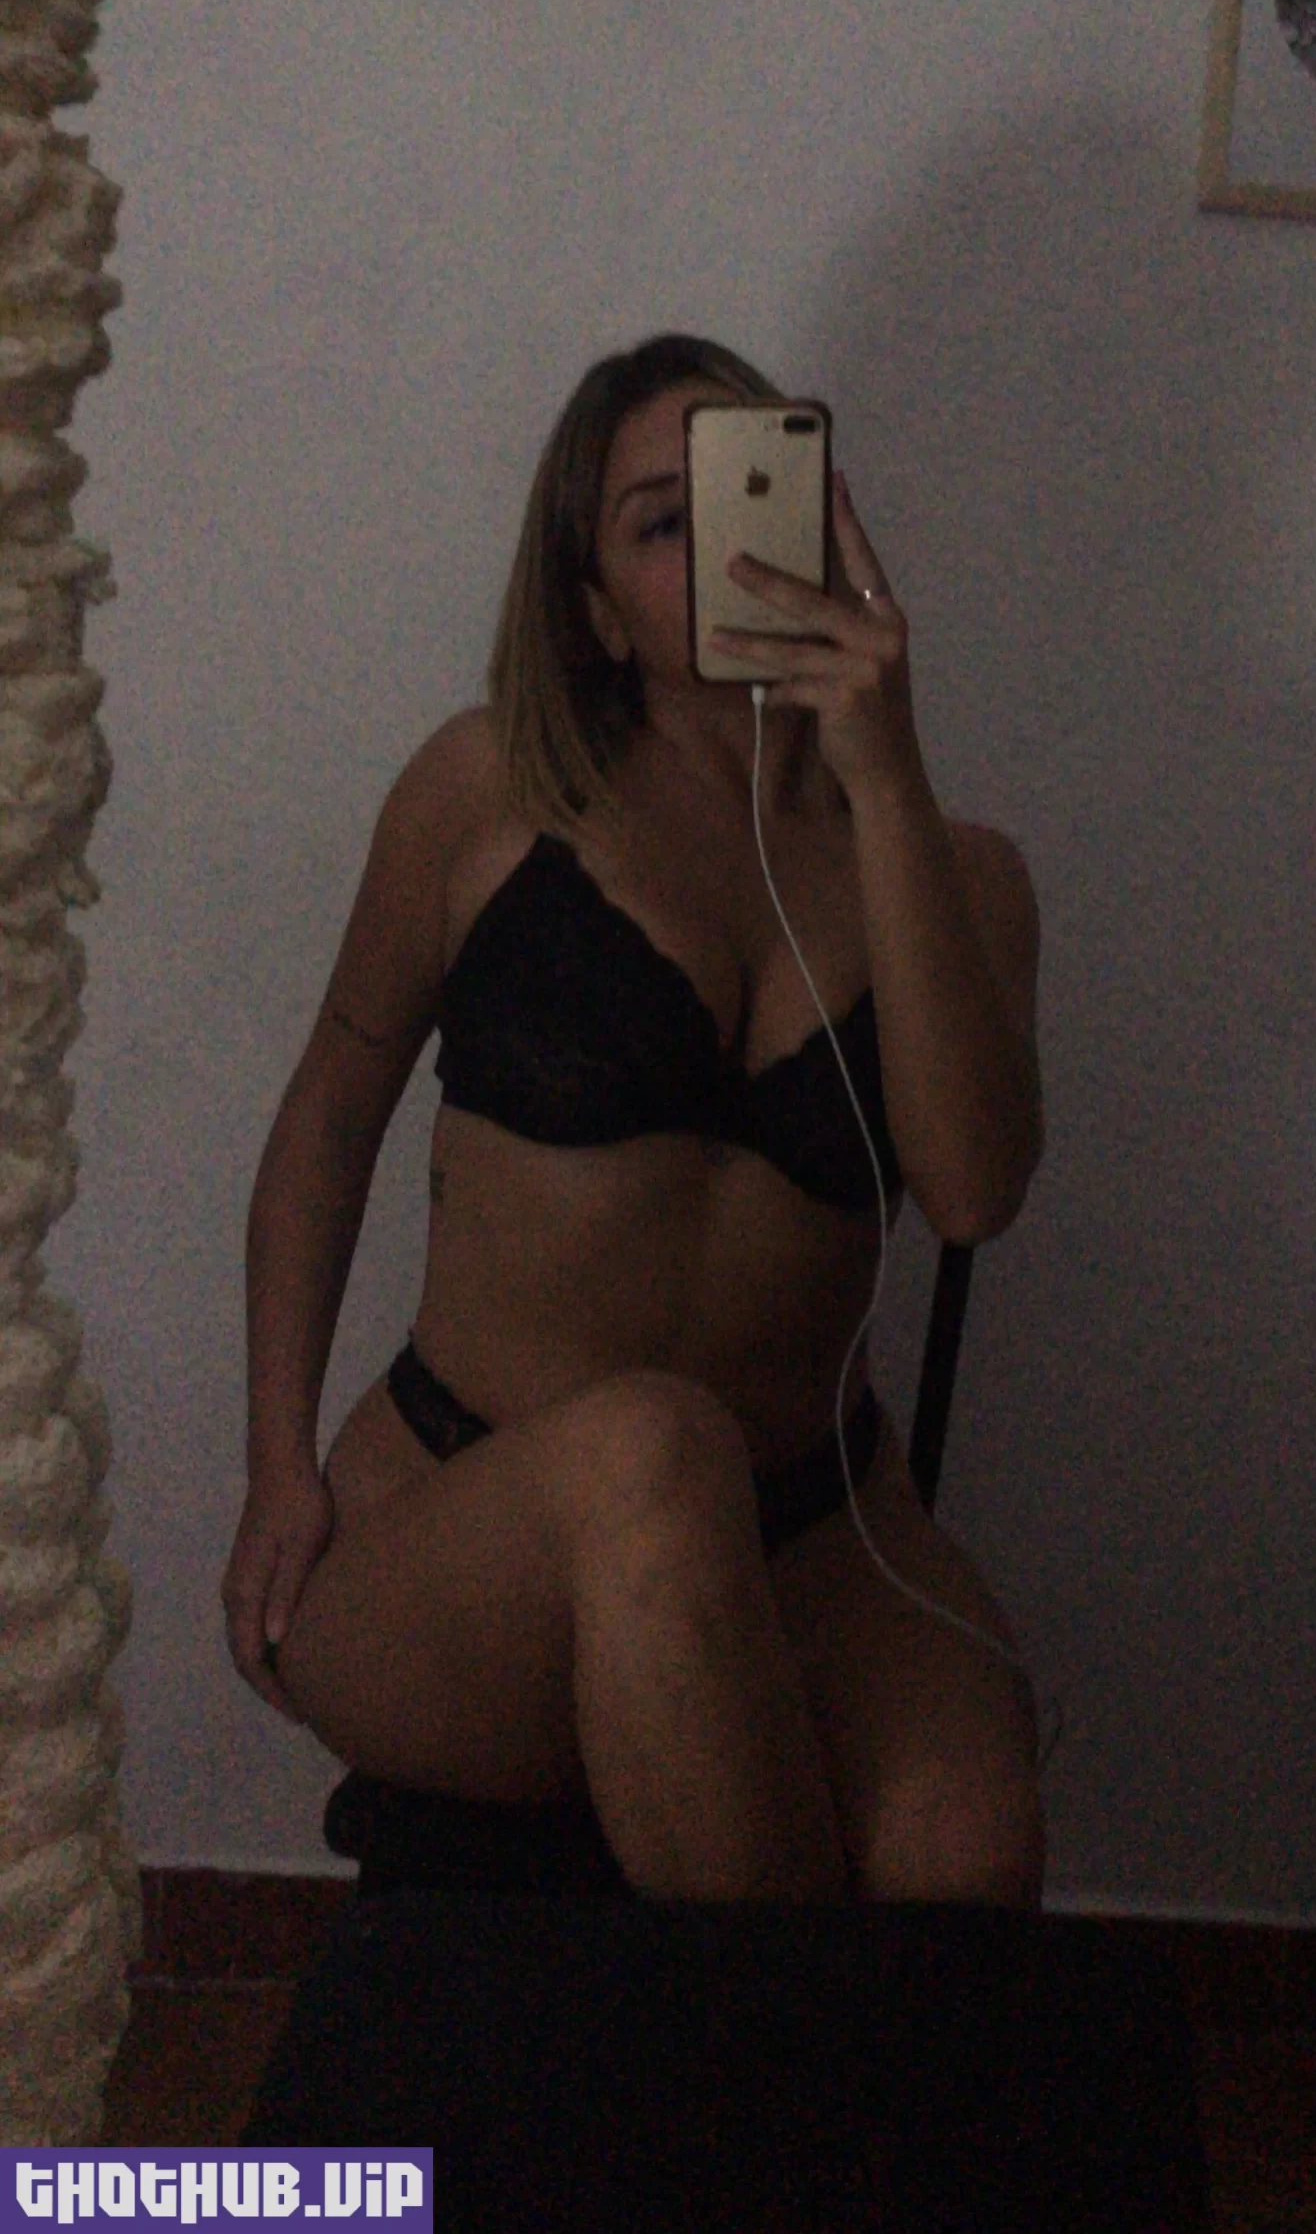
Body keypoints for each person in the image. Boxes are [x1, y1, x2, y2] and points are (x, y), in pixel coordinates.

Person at [222, 333, 1047, 1905]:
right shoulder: (483, 796)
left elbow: (972, 1195)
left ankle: (772, 2032)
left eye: (752, 495)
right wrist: (276, 1463)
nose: (725, 548)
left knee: (966, 1851)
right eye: (664, 521)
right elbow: (327, 1121)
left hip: (816, 1528)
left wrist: (885, 777)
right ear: (596, 610)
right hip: (468, 1517)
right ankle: (777, 2051)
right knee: (651, 1450)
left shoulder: (962, 876)